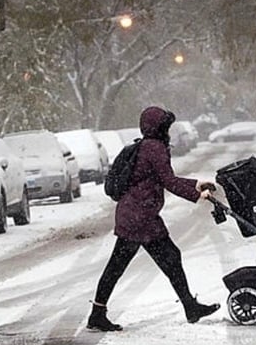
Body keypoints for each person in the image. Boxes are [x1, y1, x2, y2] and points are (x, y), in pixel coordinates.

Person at [87, 106, 220, 332]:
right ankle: (98, 314)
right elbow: (168, 180)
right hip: (139, 217)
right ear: (159, 127)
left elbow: (164, 178)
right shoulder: (154, 148)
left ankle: (189, 307)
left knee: (160, 259)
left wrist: (196, 184)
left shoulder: (148, 146)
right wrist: (198, 195)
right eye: (166, 126)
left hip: (138, 214)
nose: (168, 130)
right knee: (125, 265)